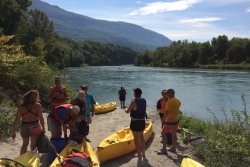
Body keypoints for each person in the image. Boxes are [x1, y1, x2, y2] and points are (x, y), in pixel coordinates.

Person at [11, 90, 45, 155]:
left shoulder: (21, 106)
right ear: (35, 97)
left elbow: (17, 119)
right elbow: (41, 118)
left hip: (24, 127)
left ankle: (21, 161)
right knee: (33, 146)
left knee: (24, 144)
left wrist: (13, 131)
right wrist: (43, 128)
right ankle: (31, 162)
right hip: (35, 126)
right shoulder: (38, 106)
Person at [157, 88, 181, 154]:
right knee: (173, 133)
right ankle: (173, 148)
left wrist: (163, 120)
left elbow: (166, 112)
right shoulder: (177, 100)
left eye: (167, 93)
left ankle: (164, 149)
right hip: (176, 119)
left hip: (170, 120)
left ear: (171, 93)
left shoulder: (170, 101)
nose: (166, 94)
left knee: (163, 133)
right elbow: (178, 107)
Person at [125, 88, 147, 157]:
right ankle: (143, 153)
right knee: (141, 137)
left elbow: (127, 111)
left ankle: (139, 154)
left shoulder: (133, 101)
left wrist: (125, 109)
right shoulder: (144, 100)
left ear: (135, 94)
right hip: (142, 121)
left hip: (135, 122)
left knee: (136, 138)